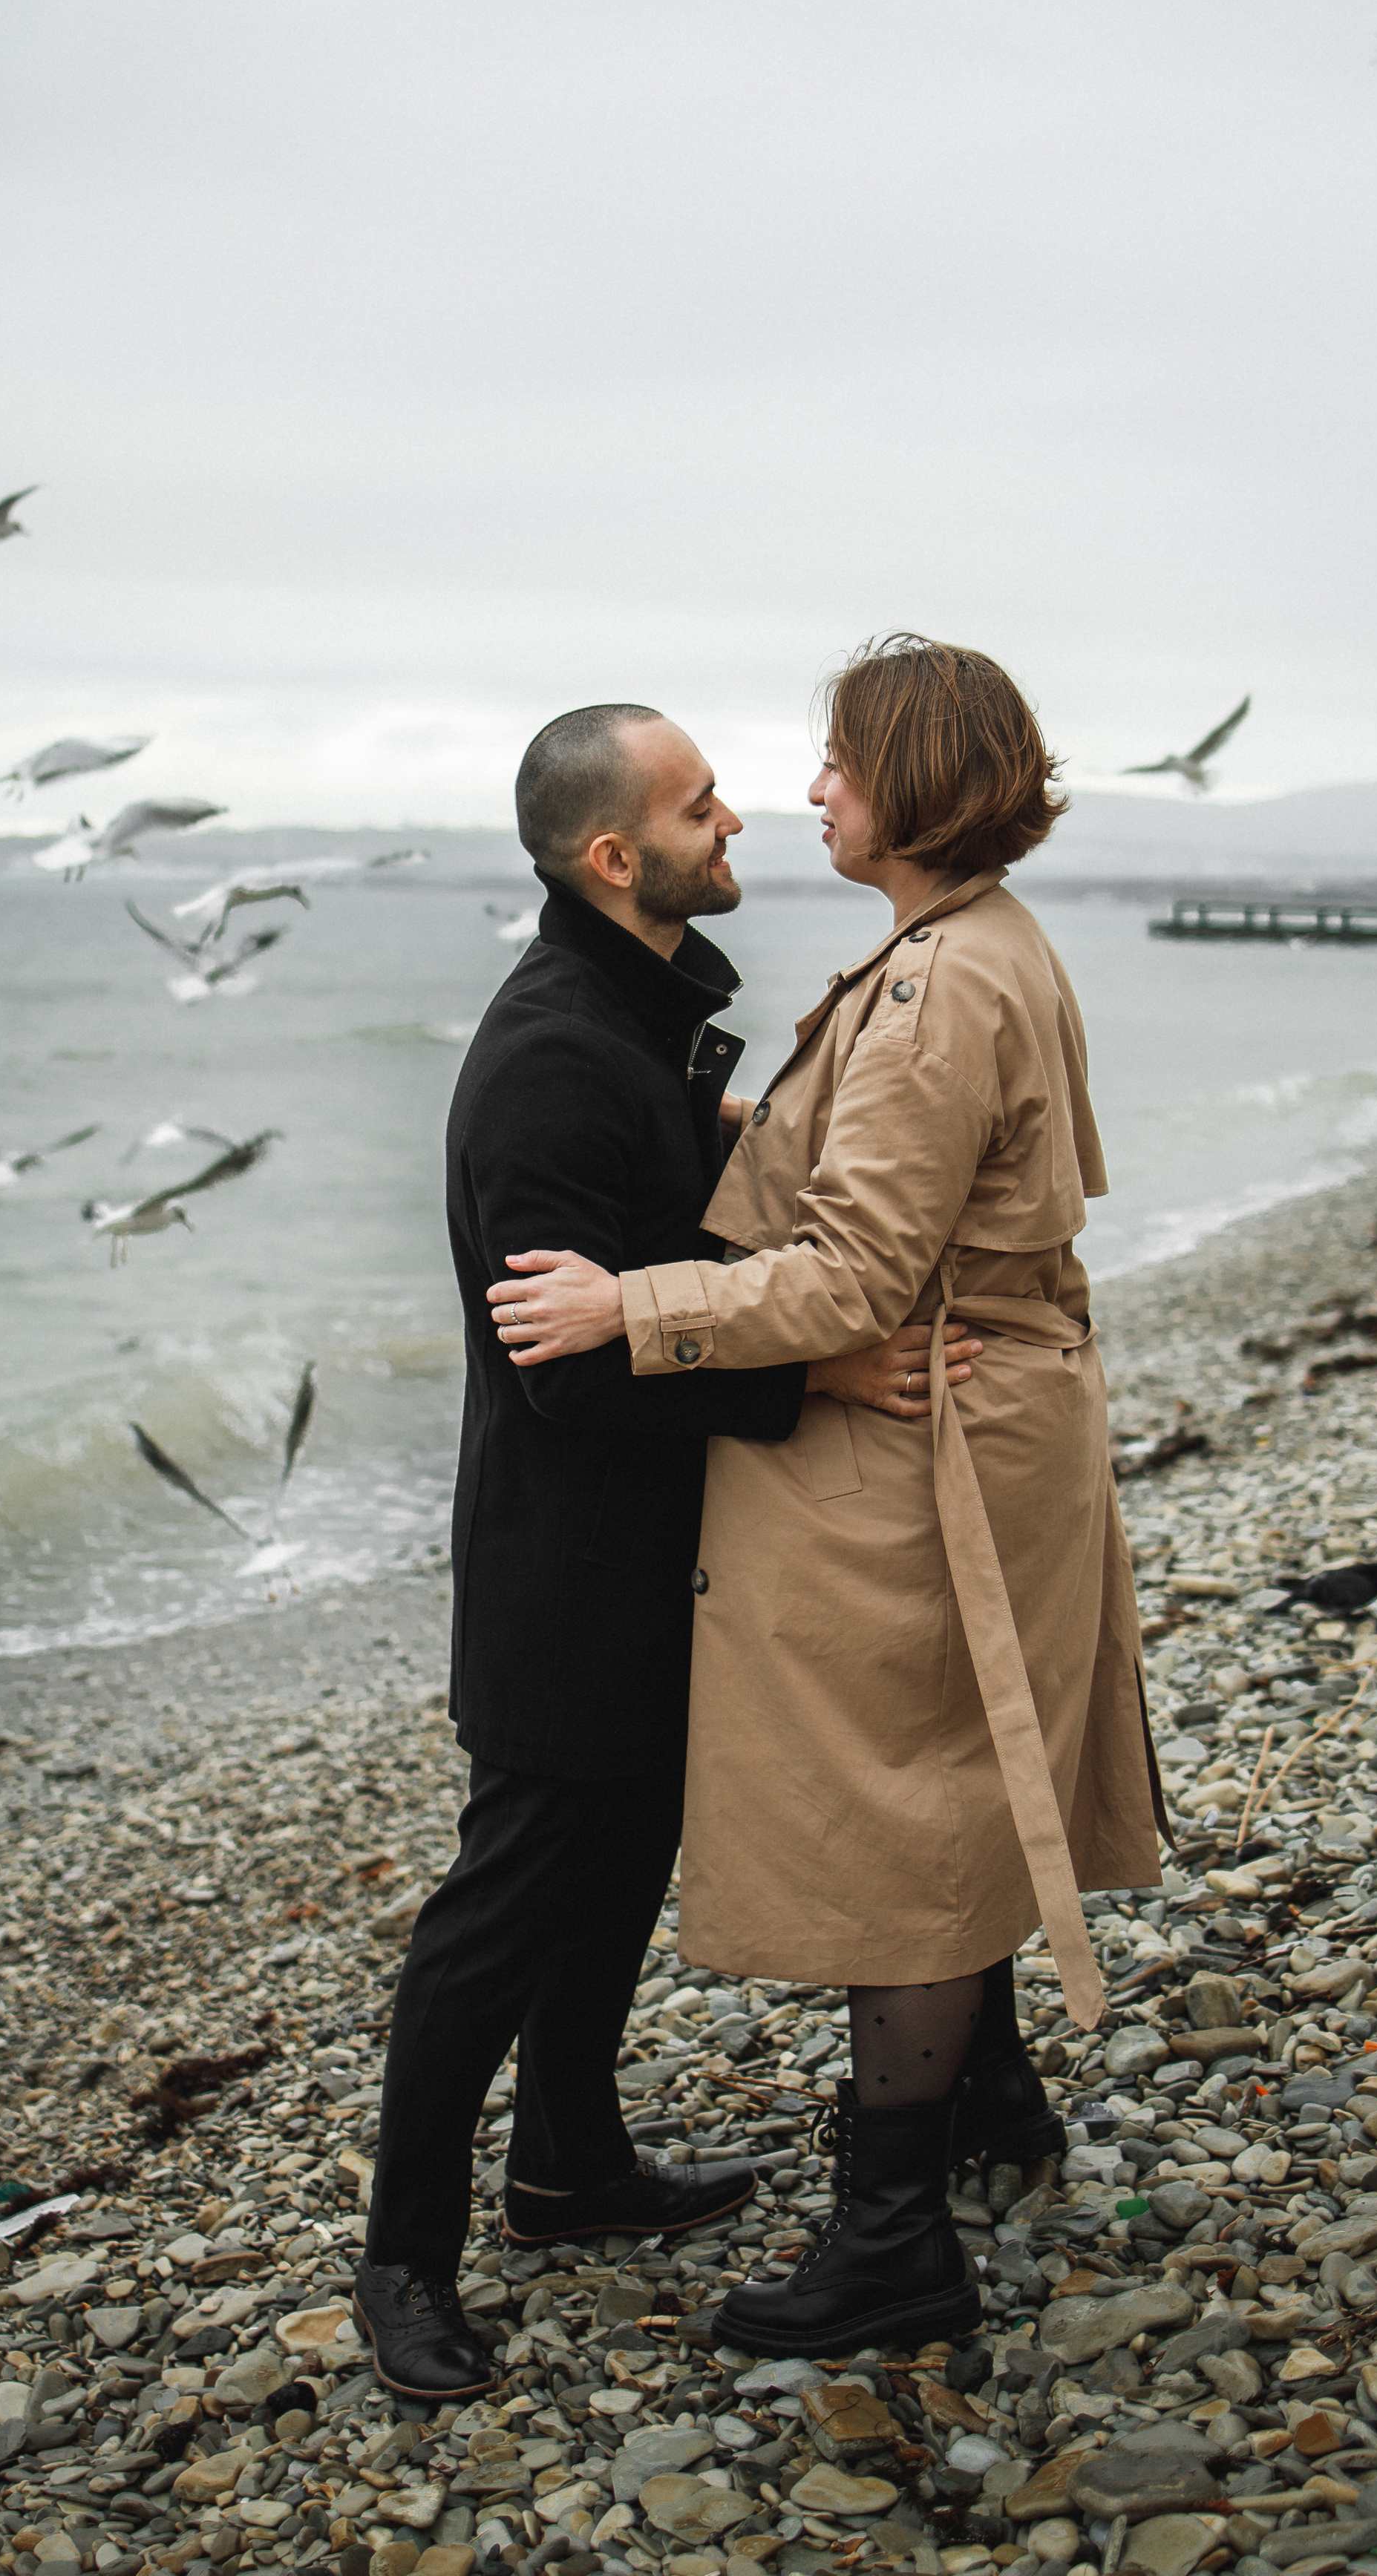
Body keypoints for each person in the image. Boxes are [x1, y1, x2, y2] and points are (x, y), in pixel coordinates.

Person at [485, 638, 1168, 2359]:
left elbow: (857, 1273)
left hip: (930, 1435)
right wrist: (677, 1124)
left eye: (838, 766)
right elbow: (870, 1155)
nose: (808, 796)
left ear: (915, 784)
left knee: (907, 1803)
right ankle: (990, 2108)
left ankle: (888, 2241)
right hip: (992, 1409)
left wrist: (625, 1310)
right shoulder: (968, 948)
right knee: (952, 1758)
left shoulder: (939, 986)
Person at [356, 701, 984, 2402]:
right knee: (497, 1917)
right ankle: (401, 2264)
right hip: (568, 1568)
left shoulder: (634, 1019)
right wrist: (819, 1369)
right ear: (613, 858)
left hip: (658, 1551)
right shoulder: (559, 1052)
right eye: (701, 808)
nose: (739, 823)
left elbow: (655, 1235)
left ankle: (570, 2170)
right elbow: (561, 1372)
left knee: (617, 1873)